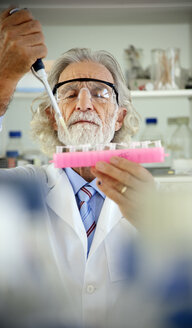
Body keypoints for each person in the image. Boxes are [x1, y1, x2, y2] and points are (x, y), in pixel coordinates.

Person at [0, 7, 154, 328]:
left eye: (99, 93)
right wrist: (2, 80)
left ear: (119, 118)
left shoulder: (150, 198)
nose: (84, 102)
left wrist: (159, 229)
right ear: (53, 117)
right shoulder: (19, 189)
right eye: (70, 93)